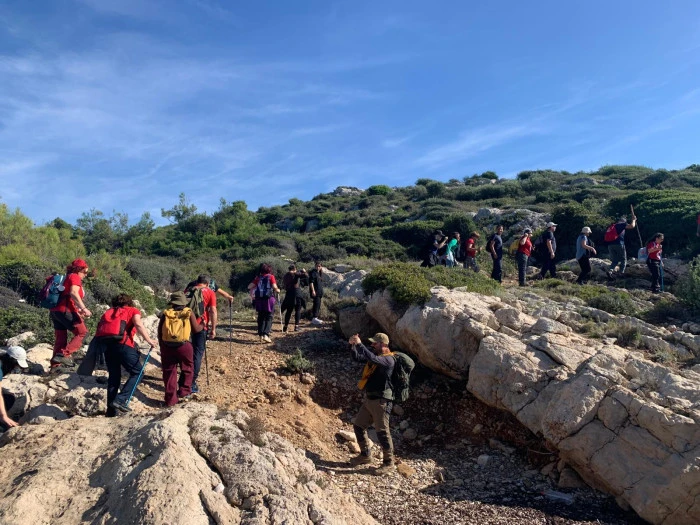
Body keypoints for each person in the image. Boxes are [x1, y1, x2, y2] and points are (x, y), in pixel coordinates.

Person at [95, 294, 157, 416]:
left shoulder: (109, 312)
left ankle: (110, 411)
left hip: (108, 347)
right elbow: (138, 324)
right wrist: (149, 340)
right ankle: (121, 399)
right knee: (138, 372)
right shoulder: (132, 310)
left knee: (114, 377)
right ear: (129, 302)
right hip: (124, 345)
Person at [347, 332, 396, 475]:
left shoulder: (388, 360)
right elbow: (358, 358)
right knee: (358, 426)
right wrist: (353, 346)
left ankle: (389, 463)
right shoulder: (377, 357)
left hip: (381, 402)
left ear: (384, 344)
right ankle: (365, 455)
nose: (373, 345)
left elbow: (372, 358)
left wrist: (360, 344)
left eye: (375, 343)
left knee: (383, 432)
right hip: (370, 399)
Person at [158, 291, 203, 406]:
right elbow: (196, 330)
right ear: (183, 302)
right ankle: (184, 392)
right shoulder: (188, 312)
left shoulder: (166, 314)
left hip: (167, 346)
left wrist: (162, 346)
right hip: (184, 346)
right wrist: (203, 324)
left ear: (172, 303)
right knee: (188, 368)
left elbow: (160, 332)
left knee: (169, 372)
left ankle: (170, 400)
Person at [49, 259, 92, 369]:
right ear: (79, 270)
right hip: (66, 310)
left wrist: (78, 311)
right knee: (83, 333)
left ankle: (55, 366)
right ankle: (63, 355)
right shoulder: (74, 276)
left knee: (61, 337)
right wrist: (84, 308)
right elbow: (73, 293)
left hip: (55, 311)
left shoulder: (66, 277)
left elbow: (67, 297)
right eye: (85, 272)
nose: (86, 275)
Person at [187, 275, 217, 393]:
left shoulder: (189, 290)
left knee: (186, 352)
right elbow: (213, 311)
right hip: (200, 325)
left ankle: (183, 379)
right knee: (197, 353)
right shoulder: (210, 292)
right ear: (207, 283)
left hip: (184, 325)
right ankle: (191, 383)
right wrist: (213, 329)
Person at [248, 263, 280, 343]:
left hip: (259, 299)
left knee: (261, 316)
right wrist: (278, 290)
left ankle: (260, 335)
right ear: (269, 269)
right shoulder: (271, 276)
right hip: (268, 299)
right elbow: (274, 287)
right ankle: (266, 334)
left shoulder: (258, 278)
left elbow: (249, 286)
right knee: (269, 316)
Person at [0, 346, 29, 429]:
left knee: (9, 398)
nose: (17, 367)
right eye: (16, 364)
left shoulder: (3, 364)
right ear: (11, 361)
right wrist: (3, 416)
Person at [606, 214, 637, 279]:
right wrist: (634, 220)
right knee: (623, 259)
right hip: (619, 244)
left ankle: (610, 271)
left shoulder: (612, 226)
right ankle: (621, 273)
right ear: (624, 221)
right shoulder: (622, 224)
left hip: (610, 245)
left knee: (615, 260)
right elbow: (632, 226)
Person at [281, 264, 308, 333]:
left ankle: (285, 326)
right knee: (298, 310)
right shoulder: (295, 274)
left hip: (289, 294)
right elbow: (305, 276)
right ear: (294, 269)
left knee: (289, 311)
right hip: (296, 293)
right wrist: (304, 271)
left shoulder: (286, 275)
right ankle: (296, 326)